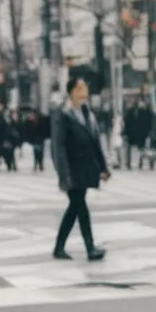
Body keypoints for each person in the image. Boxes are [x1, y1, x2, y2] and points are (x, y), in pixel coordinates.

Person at [50, 73, 109, 261]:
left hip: (85, 168)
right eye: (80, 88)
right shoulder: (64, 115)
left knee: (75, 207)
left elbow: (95, 142)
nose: (84, 91)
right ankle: (90, 248)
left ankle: (59, 247)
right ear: (72, 92)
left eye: (85, 87)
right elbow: (58, 147)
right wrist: (63, 173)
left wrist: (103, 167)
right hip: (71, 170)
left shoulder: (87, 113)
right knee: (80, 207)